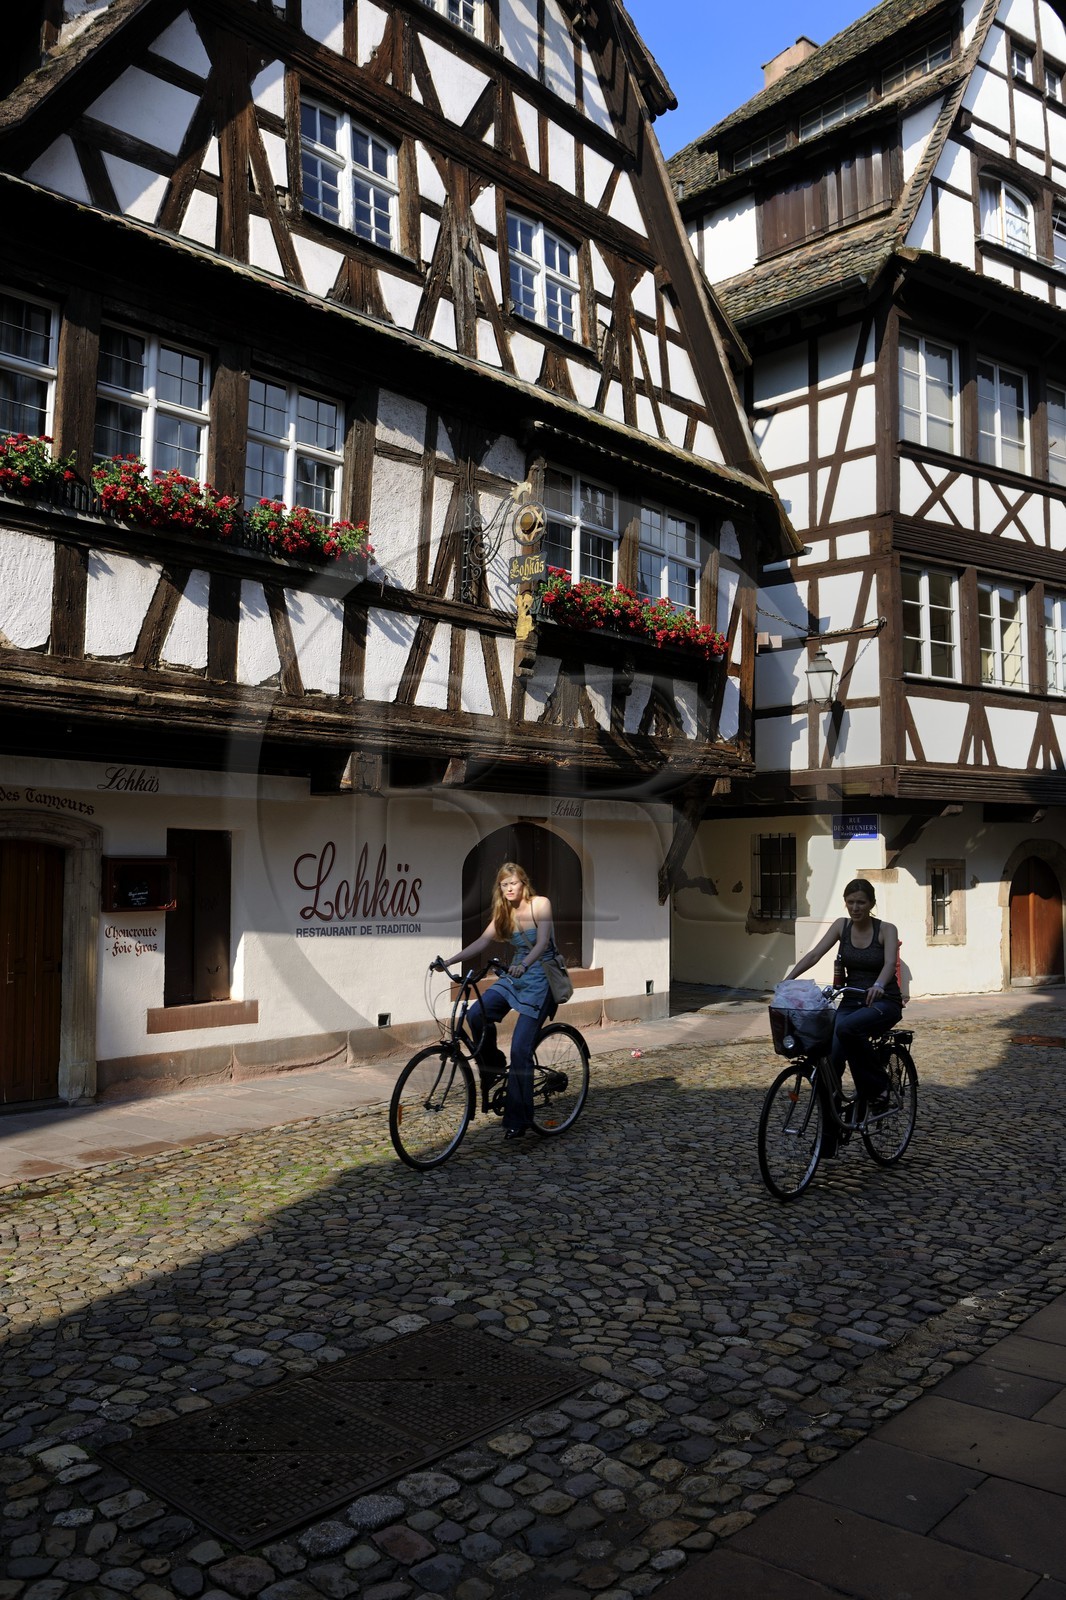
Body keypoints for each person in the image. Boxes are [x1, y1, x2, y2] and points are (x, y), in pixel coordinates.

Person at [438, 862, 556, 1141]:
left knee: (520, 1051)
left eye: (513, 883)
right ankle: (492, 1065)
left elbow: (542, 943)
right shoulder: (505, 911)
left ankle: (518, 1118)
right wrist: (449, 961)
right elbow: (482, 941)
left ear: (523, 882)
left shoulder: (541, 904)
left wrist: (525, 965)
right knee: (477, 1015)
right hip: (515, 974)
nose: (509, 889)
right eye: (504, 885)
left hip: (541, 978)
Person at [784, 878, 902, 1115]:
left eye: (861, 902)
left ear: (871, 904)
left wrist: (878, 984)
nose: (855, 907)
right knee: (831, 1058)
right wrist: (788, 979)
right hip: (851, 1000)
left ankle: (880, 1088)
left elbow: (890, 963)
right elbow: (815, 954)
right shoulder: (842, 926)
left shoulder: (886, 929)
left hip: (883, 1001)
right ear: (845, 903)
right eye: (850, 902)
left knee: (847, 1028)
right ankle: (831, 1128)